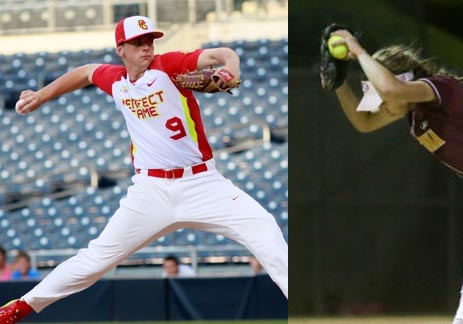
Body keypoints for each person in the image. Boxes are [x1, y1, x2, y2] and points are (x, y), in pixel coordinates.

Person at [0, 15, 287, 323]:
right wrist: (41, 95)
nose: (147, 48)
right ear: (121, 48)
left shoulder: (170, 66)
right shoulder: (117, 81)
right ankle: (20, 308)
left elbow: (223, 54)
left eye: (150, 41)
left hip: (202, 184)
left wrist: (231, 70)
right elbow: (85, 72)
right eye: (138, 43)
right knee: (96, 259)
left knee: (264, 229)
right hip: (150, 192)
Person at [324, 28, 463, 324]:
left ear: (403, 79)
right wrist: (339, 82)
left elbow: (392, 90)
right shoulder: (413, 114)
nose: (378, 100)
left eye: (378, 89)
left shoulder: (438, 88)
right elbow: (363, 122)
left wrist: (359, 51)